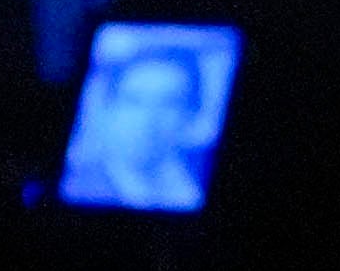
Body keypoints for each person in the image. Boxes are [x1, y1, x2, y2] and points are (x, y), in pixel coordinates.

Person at [60, 35, 223, 213]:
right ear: (109, 108)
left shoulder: (200, 178)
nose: (149, 120)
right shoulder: (80, 185)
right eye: (134, 101)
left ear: (192, 114)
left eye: (169, 103)